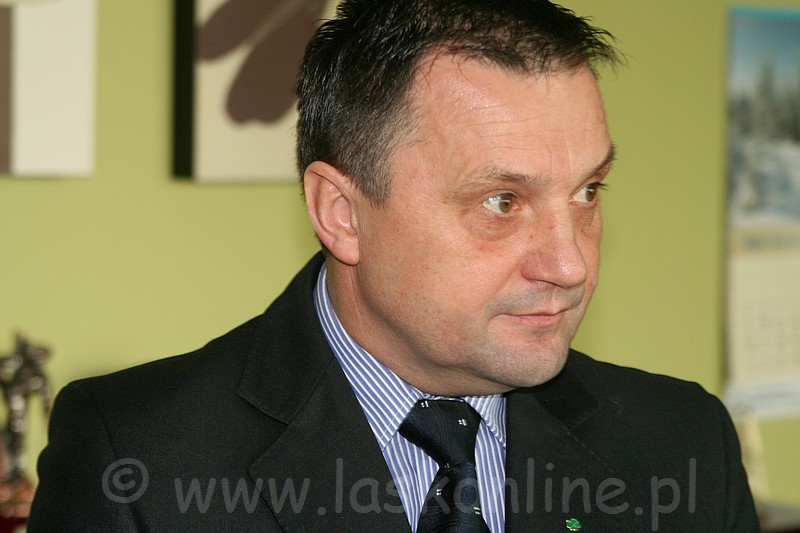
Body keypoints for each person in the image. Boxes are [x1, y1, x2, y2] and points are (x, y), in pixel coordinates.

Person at [29, 0, 759, 531]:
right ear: (342, 214)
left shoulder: (684, 445)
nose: (570, 264)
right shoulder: (140, 462)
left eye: (588, 192)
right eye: (502, 202)